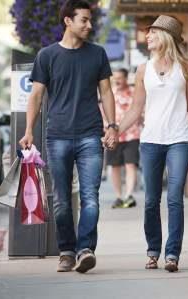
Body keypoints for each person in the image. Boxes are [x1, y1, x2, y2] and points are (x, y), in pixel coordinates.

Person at [19, 0, 117, 274]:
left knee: (91, 198)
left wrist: (112, 126)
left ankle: (85, 249)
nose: (89, 25)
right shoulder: (47, 56)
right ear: (68, 22)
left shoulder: (97, 54)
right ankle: (66, 251)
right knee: (61, 200)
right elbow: (36, 96)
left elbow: (107, 92)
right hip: (57, 136)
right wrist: (28, 131)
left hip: (90, 136)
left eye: (90, 20)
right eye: (84, 20)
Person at [117, 15, 188, 272]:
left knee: (174, 198)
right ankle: (153, 250)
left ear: (164, 37)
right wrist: (115, 131)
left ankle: (172, 254)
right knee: (151, 200)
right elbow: (136, 108)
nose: (147, 36)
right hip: (151, 140)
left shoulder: (186, 67)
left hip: (179, 139)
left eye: (152, 32)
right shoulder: (143, 69)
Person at [106, 68, 140, 209]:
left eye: (120, 78)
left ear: (126, 78)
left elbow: (140, 111)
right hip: (113, 135)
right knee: (115, 166)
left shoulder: (134, 93)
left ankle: (129, 195)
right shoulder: (109, 93)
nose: (117, 81)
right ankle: (119, 196)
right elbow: (103, 112)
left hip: (132, 134)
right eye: (115, 78)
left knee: (131, 164)